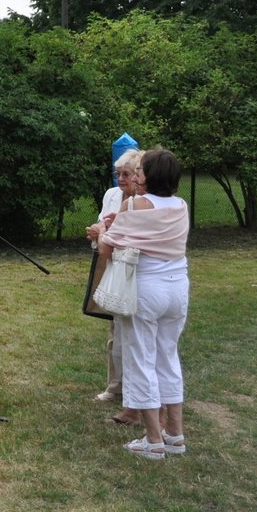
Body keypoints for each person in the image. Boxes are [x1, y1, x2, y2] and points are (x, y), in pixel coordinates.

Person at [97, 147, 190, 460]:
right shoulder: (181, 205)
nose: (134, 176)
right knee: (168, 356)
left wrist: (101, 230)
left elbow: (107, 249)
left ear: (150, 176)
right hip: (178, 288)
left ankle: (153, 440)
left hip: (147, 289)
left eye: (139, 171)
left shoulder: (135, 204)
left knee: (142, 359)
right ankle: (174, 434)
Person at [87, 146, 145, 424]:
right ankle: (115, 386)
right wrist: (96, 232)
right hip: (109, 265)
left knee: (131, 333)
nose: (120, 179)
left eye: (126, 174)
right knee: (114, 329)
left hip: (132, 269)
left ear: (139, 176)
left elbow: (120, 237)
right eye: (117, 174)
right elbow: (101, 227)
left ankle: (134, 394)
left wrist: (103, 233)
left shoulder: (145, 202)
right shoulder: (112, 195)